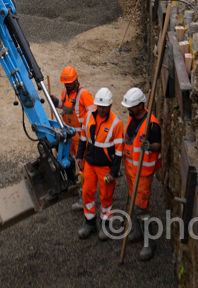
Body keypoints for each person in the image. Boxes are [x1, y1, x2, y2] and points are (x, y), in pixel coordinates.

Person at [77, 88, 124, 241]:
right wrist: (79, 156)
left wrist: (114, 172)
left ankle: (106, 225)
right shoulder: (89, 116)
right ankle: (90, 223)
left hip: (106, 168)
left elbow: (119, 152)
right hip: (90, 164)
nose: (102, 110)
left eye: (105, 107)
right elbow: (83, 138)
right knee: (87, 193)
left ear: (110, 105)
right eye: (99, 106)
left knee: (106, 197)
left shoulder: (116, 123)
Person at [120, 87, 161, 261]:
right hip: (131, 170)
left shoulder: (152, 124)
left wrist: (150, 147)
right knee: (133, 203)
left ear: (141, 105)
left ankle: (149, 242)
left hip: (143, 173)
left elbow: (158, 145)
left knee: (141, 208)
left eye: (131, 107)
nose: (128, 109)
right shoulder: (132, 118)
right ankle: (137, 232)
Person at [58, 67, 95, 174]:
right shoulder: (65, 92)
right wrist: (55, 101)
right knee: (69, 160)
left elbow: (94, 114)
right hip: (69, 134)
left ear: (76, 80)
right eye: (65, 83)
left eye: (69, 83)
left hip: (80, 136)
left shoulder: (84, 94)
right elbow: (63, 105)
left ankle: (84, 184)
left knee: (81, 163)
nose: (67, 85)